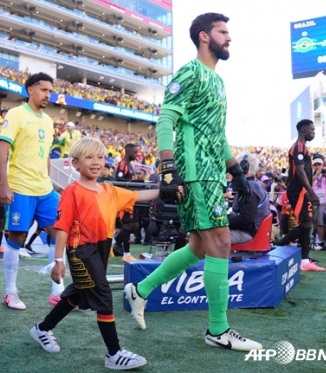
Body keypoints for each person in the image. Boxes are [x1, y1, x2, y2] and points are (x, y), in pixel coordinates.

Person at [123, 13, 262, 351]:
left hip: (213, 173)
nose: (229, 38)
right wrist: (168, 167)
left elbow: (217, 133)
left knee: (200, 247)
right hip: (195, 173)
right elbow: (166, 117)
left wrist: (236, 170)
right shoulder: (190, 71)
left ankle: (139, 291)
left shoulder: (218, 81)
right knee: (221, 242)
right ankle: (218, 330)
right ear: (204, 36)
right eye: (223, 32)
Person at [30, 137, 173, 370]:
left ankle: (42, 329)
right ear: (75, 164)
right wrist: (58, 261)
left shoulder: (108, 189)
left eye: (100, 157)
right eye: (89, 157)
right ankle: (114, 353)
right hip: (80, 251)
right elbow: (62, 227)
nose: (96, 162)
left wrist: (164, 191)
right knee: (103, 294)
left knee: (78, 294)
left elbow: (137, 197)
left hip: (101, 249)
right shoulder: (72, 192)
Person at [0, 72, 62, 309]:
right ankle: (10, 292)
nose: (47, 95)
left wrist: (49, 181)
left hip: (43, 188)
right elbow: (2, 151)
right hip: (20, 187)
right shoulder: (16, 114)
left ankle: (58, 291)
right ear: (30, 90)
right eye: (43, 90)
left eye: (50, 91)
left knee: (58, 231)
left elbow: (44, 156)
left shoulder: (48, 120)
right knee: (17, 237)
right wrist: (4, 184)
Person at [273, 119, 325, 271]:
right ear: (303, 130)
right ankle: (279, 244)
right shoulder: (298, 147)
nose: (313, 133)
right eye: (312, 130)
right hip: (299, 191)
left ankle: (304, 260)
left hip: (301, 190)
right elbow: (300, 172)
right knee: (307, 223)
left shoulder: (303, 147)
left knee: (307, 223)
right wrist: (311, 191)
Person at [228, 154, 270, 244]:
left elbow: (246, 218)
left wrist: (224, 222)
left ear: (243, 168)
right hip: (249, 230)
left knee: (208, 239)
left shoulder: (249, 187)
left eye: (235, 167)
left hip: (247, 233)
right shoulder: (252, 185)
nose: (232, 170)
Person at [114, 143, 139, 261]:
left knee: (134, 225)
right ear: (127, 151)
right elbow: (119, 182)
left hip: (132, 198)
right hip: (125, 199)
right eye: (134, 152)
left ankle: (114, 241)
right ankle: (126, 255)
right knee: (127, 225)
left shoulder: (130, 165)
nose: (136, 154)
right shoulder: (122, 165)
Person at [311, 155, 326, 250]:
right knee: (313, 222)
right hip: (312, 200)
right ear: (312, 166)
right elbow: (307, 184)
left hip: (322, 201)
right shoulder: (310, 174)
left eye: (319, 164)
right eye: (315, 165)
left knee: (320, 222)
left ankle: (320, 241)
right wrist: (316, 175)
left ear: (322, 165)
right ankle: (316, 238)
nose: (317, 167)